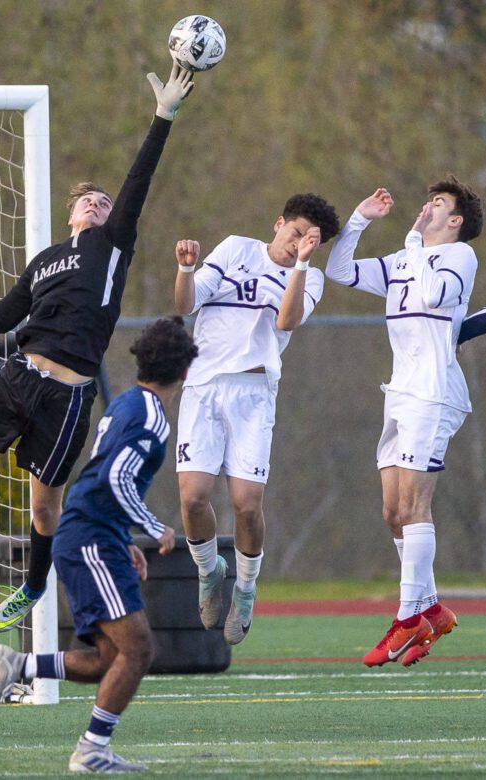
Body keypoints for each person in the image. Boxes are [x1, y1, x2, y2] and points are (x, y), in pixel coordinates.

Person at [0, 64, 196, 633]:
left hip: (69, 396)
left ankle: (31, 585)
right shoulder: (48, 259)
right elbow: (6, 315)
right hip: (19, 375)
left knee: (43, 507)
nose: (100, 206)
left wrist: (163, 118)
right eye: (91, 203)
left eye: (105, 204)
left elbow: (137, 184)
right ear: (72, 213)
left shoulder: (112, 247)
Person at [0, 318, 197, 773]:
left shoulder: (126, 403)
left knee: (109, 660)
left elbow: (102, 475)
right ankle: (91, 749)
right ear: (185, 372)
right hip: (91, 538)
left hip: (92, 535)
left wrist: (123, 537)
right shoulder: (153, 419)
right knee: (138, 651)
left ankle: (17, 666)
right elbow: (116, 477)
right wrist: (154, 528)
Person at [325, 180, 483, 666]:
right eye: (429, 199)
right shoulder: (402, 260)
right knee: (393, 511)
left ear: (455, 221)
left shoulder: (458, 258)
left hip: (434, 394)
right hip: (401, 394)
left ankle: (407, 617)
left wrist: (414, 244)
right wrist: (359, 219)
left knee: (415, 505)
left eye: (439, 203)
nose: (428, 206)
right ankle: (432, 609)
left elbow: (436, 295)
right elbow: (338, 270)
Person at [173, 194, 340, 644]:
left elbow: (285, 322)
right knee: (193, 499)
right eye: (294, 235)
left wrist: (302, 265)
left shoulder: (311, 278)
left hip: (253, 396)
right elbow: (186, 303)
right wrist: (186, 268)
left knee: (247, 504)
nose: (296, 245)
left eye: (308, 241)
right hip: (204, 388)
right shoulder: (234, 250)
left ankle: (245, 591)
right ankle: (211, 573)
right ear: (278, 223)